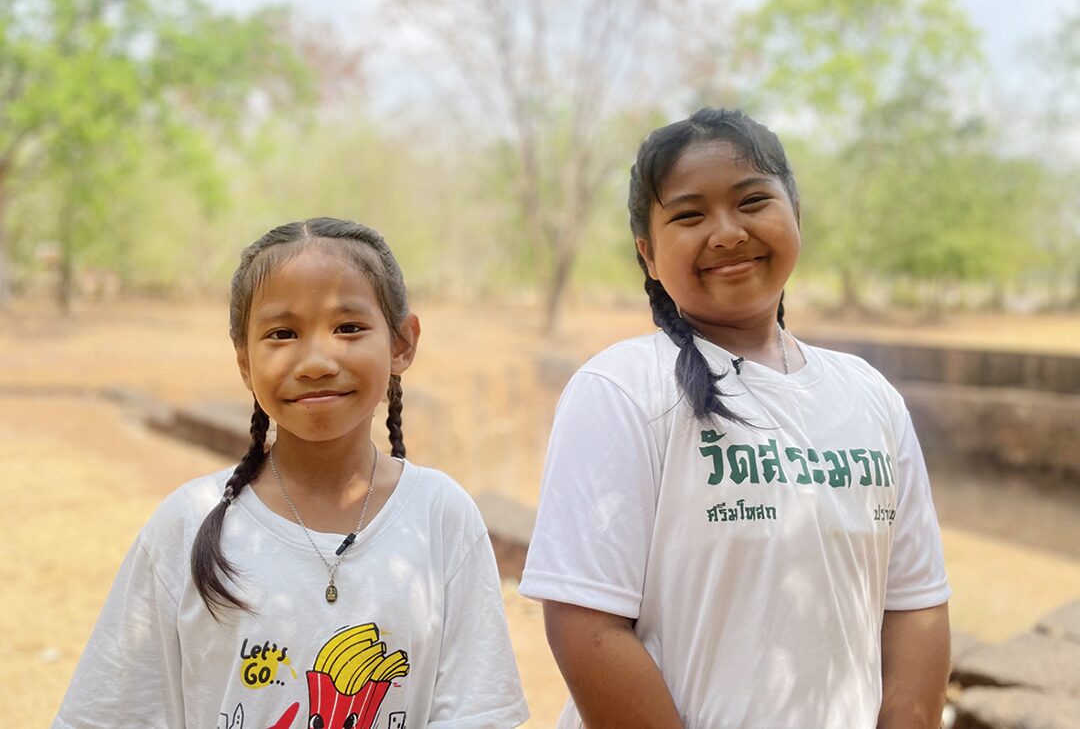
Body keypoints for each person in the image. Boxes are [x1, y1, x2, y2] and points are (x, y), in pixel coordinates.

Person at [518, 109, 951, 728]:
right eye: (689, 215)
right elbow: (586, 624)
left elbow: (915, 605)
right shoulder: (621, 390)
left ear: (795, 217)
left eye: (753, 201)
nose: (726, 233)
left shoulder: (870, 395)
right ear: (648, 253)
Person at [54, 218, 529, 729]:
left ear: (402, 344)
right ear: (245, 361)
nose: (317, 361)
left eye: (348, 327)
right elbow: (109, 715)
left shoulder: (441, 515)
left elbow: (476, 714)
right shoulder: (187, 524)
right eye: (282, 333)